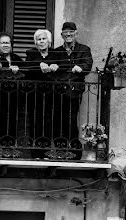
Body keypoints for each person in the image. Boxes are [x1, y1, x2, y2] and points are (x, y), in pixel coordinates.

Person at [52, 21, 93, 150]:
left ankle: (74, 148)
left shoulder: (84, 49)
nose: (68, 34)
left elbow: (88, 64)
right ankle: (61, 147)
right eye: (65, 32)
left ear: (76, 33)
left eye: (71, 32)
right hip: (59, 91)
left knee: (71, 117)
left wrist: (81, 68)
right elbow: (53, 70)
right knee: (59, 118)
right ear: (62, 35)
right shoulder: (57, 52)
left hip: (75, 90)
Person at [24, 29, 65, 155]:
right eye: (39, 39)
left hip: (52, 95)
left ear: (49, 41)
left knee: (49, 122)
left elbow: (62, 68)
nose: (41, 41)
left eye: (44, 39)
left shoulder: (56, 54)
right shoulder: (31, 53)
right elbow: (27, 67)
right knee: (34, 121)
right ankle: (35, 152)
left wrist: (56, 67)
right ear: (36, 42)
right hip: (35, 95)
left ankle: (46, 151)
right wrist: (39, 64)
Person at [0, 32, 24, 142]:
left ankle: (11, 146)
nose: (5, 45)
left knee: (13, 121)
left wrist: (18, 69)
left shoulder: (16, 58)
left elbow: (25, 72)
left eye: (8, 43)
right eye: (3, 43)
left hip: (15, 97)